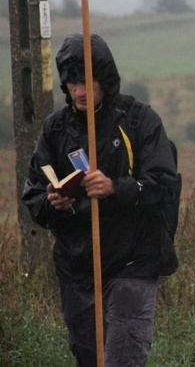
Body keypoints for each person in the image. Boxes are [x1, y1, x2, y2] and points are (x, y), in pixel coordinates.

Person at [22, 33, 181, 366]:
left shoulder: (139, 120)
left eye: (88, 81)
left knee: (122, 359)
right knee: (89, 359)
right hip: (77, 268)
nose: (80, 91)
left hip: (133, 263)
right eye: (73, 83)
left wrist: (116, 187)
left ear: (105, 79)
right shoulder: (55, 130)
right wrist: (53, 203)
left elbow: (164, 185)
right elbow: (34, 192)